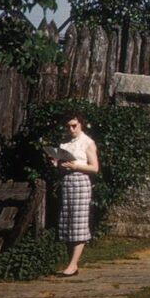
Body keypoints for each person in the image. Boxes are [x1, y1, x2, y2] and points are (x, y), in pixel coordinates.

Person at [52, 112, 100, 276]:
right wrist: (57, 164)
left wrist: (75, 167)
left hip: (80, 182)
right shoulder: (65, 144)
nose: (71, 129)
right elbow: (62, 165)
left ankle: (73, 265)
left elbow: (94, 168)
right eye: (68, 126)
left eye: (74, 125)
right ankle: (70, 263)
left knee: (78, 222)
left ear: (81, 125)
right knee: (67, 221)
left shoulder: (87, 142)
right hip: (67, 182)